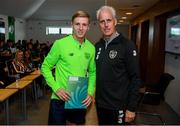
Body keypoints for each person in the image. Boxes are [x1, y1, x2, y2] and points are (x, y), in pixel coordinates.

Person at [41, 10, 96, 125]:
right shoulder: (60, 44)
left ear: (88, 27)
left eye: (84, 24)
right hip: (59, 98)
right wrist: (56, 88)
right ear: (72, 25)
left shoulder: (91, 48)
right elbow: (45, 67)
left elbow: (92, 72)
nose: (81, 28)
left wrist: (90, 92)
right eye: (77, 24)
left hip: (78, 97)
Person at [95, 6, 141, 125]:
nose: (106, 24)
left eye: (109, 20)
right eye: (102, 21)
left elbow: (135, 78)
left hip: (119, 106)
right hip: (101, 105)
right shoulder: (97, 46)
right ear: (99, 24)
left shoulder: (127, 45)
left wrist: (131, 108)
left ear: (115, 21)